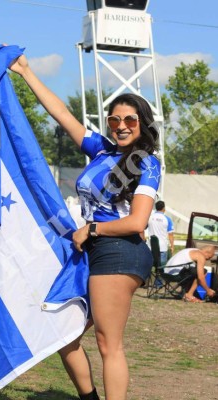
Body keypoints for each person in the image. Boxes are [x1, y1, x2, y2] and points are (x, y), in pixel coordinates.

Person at [9, 51, 161, 400]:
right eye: (114, 119)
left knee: (109, 343)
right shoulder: (101, 151)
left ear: (143, 124)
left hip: (119, 252)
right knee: (63, 333)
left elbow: (137, 221)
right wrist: (27, 72)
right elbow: (62, 114)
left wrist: (91, 230)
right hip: (91, 251)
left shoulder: (147, 163)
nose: (121, 125)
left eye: (130, 120)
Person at [148, 200, 174, 265]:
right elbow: (170, 235)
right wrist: (172, 246)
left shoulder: (149, 217)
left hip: (151, 247)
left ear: (156, 208)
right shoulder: (167, 219)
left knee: (150, 266)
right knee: (162, 268)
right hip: (163, 247)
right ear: (163, 208)